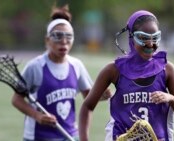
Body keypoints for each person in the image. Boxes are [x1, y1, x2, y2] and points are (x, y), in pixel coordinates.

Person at [79, 10, 174, 141]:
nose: (150, 44)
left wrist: (171, 98)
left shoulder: (167, 69)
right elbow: (87, 106)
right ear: (131, 37)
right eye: (143, 38)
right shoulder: (113, 70)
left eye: (155, 38)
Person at [11, 6, 110, 141]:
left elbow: (89, 98)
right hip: (38, 137)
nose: (64, 41)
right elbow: (16, 100)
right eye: (57, 36)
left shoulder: (76, 65)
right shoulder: (35, 67)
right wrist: (37, 116)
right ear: (47, 40)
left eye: (68, 36)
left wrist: (101, 95)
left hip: (69, 135)